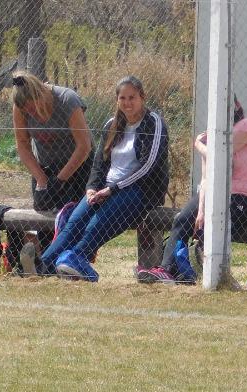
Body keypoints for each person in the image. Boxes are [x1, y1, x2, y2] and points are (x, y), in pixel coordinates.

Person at [38, 76, 169, 281]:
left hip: (140, 191)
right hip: (107, 188)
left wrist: (113, 189)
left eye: (132, 97)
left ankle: (76, 258)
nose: (127, 103)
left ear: (142, 97)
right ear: (117, 100)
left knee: (96, 222)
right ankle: (41, 266)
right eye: (122, 98)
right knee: (75, 221)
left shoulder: (154, 123)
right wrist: (91, 188)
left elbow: (148, 166)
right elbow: (98, 164)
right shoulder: (111, 125)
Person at [138, 96, 247, 284]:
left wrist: (199, 145)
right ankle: (166, 270)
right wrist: (200, 210)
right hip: (216, 195)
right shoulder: (210, 138)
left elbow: (220, 156)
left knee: (210, 231)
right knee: (182, 219)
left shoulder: (246, 126)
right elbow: (206, 179)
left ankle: (201, 276)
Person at [10, 71, 93, 270]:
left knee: (72, 218)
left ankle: (71, 264)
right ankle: (47, 266)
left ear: (40, 96)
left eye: (33, 109)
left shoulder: (67, 100)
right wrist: (42, 179)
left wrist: (60, 179)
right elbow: (22, 145)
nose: (31, 114)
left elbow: (84, 146)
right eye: (27, 111)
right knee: (45, 215)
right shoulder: (20, 107)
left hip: (78, 166)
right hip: (45, 168)